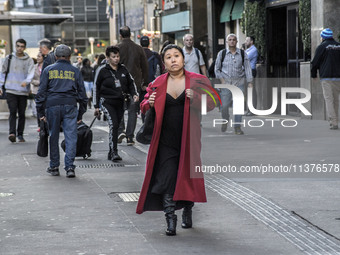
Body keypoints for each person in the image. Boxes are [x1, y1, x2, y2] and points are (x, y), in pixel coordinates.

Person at [136, 44, 215, 236]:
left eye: (176, 56)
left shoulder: (198, 80)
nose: (173, 60)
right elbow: (144, 104)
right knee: (167, 179)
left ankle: (188, 208)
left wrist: (195, 97)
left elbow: (213, 102)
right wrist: (149, 103)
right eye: (168, 57)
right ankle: (170, 219)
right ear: (163, 63)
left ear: (183, 59)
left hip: (188, 140)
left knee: (186, 178)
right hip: (164, 141)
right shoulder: (158, 82)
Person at [35, 44, 88, 178]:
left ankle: (54, 166)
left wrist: (40, 112)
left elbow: (41, 92)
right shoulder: (75, 71)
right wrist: (80, 113)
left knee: (53, 135)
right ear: (70, 57)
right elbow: (82, 94)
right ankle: (70, 167)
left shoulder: (48, 70)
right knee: (71, 136)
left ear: (55, 56)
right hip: (70, 105)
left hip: (52, 106)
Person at [93, 46, 138, 161]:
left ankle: (111, 151)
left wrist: (134, 94)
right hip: (107, 102)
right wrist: (96, 106)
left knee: (117, 126)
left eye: (117, 56)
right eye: (113, 57)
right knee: (113, 125)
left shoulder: (123, 69)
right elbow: (96, 88)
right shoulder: (102, 70)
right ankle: (114, 152)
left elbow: (130, 82)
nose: (116, 59)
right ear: (108, 58)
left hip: (120, 102)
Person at [215, 33, 253, 135]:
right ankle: (225, 118)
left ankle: (237, 127)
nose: (232, 41)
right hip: (226, 83)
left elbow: (247, 67)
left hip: (239, 83)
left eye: (234, 39)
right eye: (230, 39)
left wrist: (249, 81)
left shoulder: (242, 53)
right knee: (224, 106)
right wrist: (221, 80)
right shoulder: (221, 53)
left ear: (236, 42)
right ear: (227, 42)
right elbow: (216, 69)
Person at [117, 26, 148, 146]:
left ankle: (120, 131)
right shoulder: (138, 48)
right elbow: (144, 67)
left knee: (119, 108)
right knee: (132, 111)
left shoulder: (118, 48)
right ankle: (130, 137)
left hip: (120, 84)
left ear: (120, 35)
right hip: (135, 84)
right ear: (130, 34)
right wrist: (145, 82)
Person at [0, 38, 35, 143]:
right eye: (18, 46)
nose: (20, 48)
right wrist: (0, 86)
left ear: (25, 48)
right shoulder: (9, 58)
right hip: (11, 90)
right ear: (15, 46)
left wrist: (27, 81)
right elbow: (3, 72)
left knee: (22, 113)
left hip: (23, 91)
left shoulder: (29, 60)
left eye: (22, 46)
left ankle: (20, 134)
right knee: (12, 111)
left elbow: (31, 73)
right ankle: (12, 133)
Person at [311, 28, 340, 130]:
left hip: (327, 77)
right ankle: (336, 120)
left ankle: (334, 122)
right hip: (338, 77)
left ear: (322, 37)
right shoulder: (338, 46)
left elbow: (315, 62)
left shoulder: (322, 47)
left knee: (329, 100)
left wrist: (313, 74)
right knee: (336, 100)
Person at [140, 35, 163, 122]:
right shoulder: (155, 55)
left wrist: (141, 85)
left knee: (143, 106)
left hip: (142, 87)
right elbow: (159, 70)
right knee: (155, 107)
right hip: (154, 86)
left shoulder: (138, 55)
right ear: (149, 43)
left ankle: (145, 123)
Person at [244, 36, 258, 116]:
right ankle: (249, 110)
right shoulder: (248, 50)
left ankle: (253, 110)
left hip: (251, 72)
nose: (245, 42)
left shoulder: (253, 50)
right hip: (247, 72)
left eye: (247, 40)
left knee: (251, 91)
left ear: (251, 42)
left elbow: (244, 59)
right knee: (248, 92)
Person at [30, 52, 44, 129]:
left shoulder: (47, 67)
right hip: (36, 90)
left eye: (39, 56)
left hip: (46, 91)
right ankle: (40, 125)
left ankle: (46, 125)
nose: (38, 58)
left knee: (45, 108)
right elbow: (31, 79)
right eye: (37, 56)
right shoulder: (34, 67)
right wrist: (39, 83)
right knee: (39, 108)